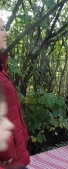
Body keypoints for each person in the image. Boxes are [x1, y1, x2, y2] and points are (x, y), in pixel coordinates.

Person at [0, 17, 30, 167]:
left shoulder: (1, 67)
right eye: (1, 29)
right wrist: (6, 151)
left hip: (16, 156)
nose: (7, 34)